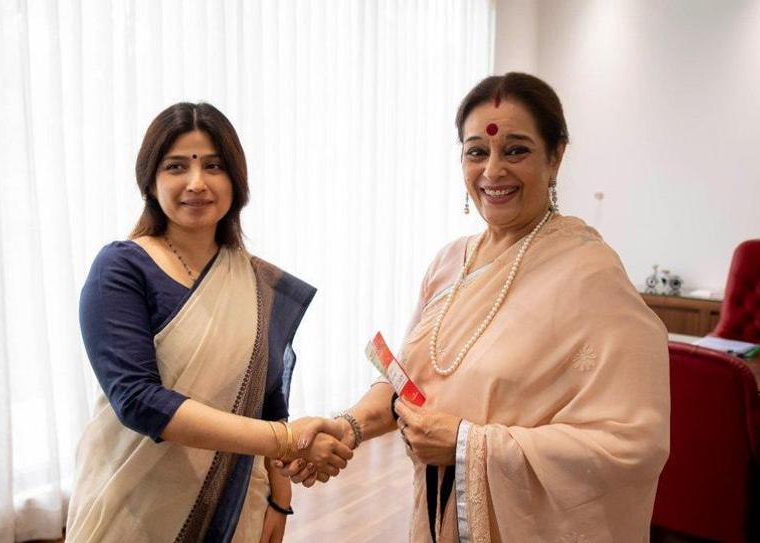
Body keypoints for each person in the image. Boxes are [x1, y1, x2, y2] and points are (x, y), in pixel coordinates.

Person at [283, 73, 670, 541]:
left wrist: (465, 443)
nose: (492, 171)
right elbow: (407, 383)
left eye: (516, 150)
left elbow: (632, 443)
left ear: (556, 157)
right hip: (439, 515)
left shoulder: (589, 275)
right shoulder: (450, 262)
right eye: (477, 152)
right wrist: (349, 426)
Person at [66, 102, 353, 543]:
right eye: (176, 166)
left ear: (235, 181)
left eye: (214, 166)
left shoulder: (256, 281)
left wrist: (280, 494)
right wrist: (286, 440)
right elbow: (137, 400)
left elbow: (267, 399)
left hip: (235, 504)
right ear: (150, 181)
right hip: (134, 508)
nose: (196, 183)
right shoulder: (121, 268)